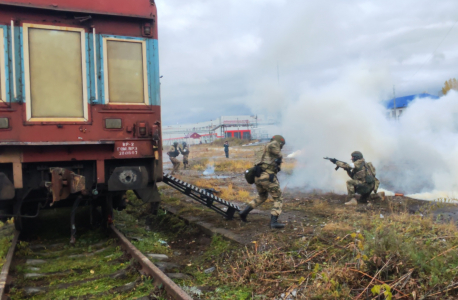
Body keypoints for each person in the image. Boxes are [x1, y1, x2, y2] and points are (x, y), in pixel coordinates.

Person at [239, 135, 286, 229]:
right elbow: (277, 151)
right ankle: (274, 222)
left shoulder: (262, 148)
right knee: (278, 198)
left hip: (258, 176)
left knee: (262, 196)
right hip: (267, 176)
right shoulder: (274, 144)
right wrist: (280, 157)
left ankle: (244, 213)